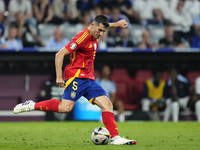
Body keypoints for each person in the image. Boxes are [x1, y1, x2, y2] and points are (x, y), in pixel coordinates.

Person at [13, 15, 137, 145]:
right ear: (92, 25)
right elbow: (59, 54)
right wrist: (59, 77)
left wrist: (115, 24)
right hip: (76, 77)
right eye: (99, 31)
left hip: (89, 79)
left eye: (103, 32)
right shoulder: (81, 38)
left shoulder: (97, 30)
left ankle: (115, 138)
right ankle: (32, 105)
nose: (101, 34)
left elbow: (102, 25)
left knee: (107, 104)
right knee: (65, 108)